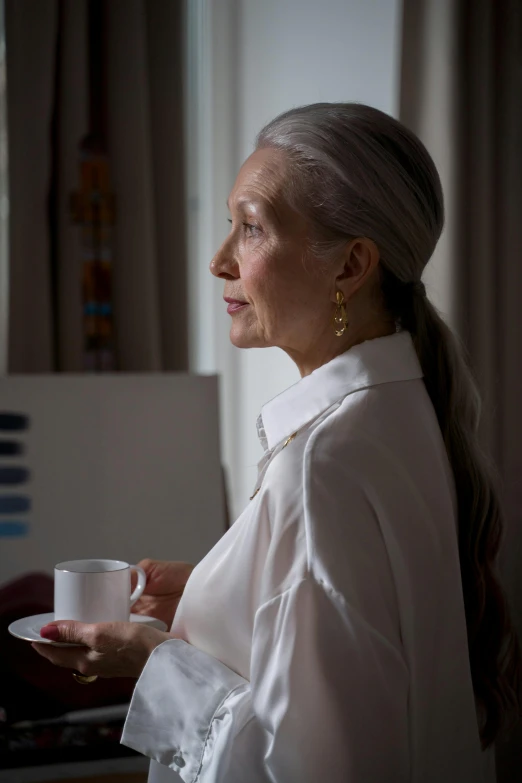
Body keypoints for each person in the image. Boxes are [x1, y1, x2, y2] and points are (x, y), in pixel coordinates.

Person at [32, 103, 521, 782]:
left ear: (351, 265)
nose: (218, 260)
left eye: (252, 228)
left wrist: (151, 660)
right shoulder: (403, 409)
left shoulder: (323, 463)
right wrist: (218, 593)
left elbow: (316, 769)